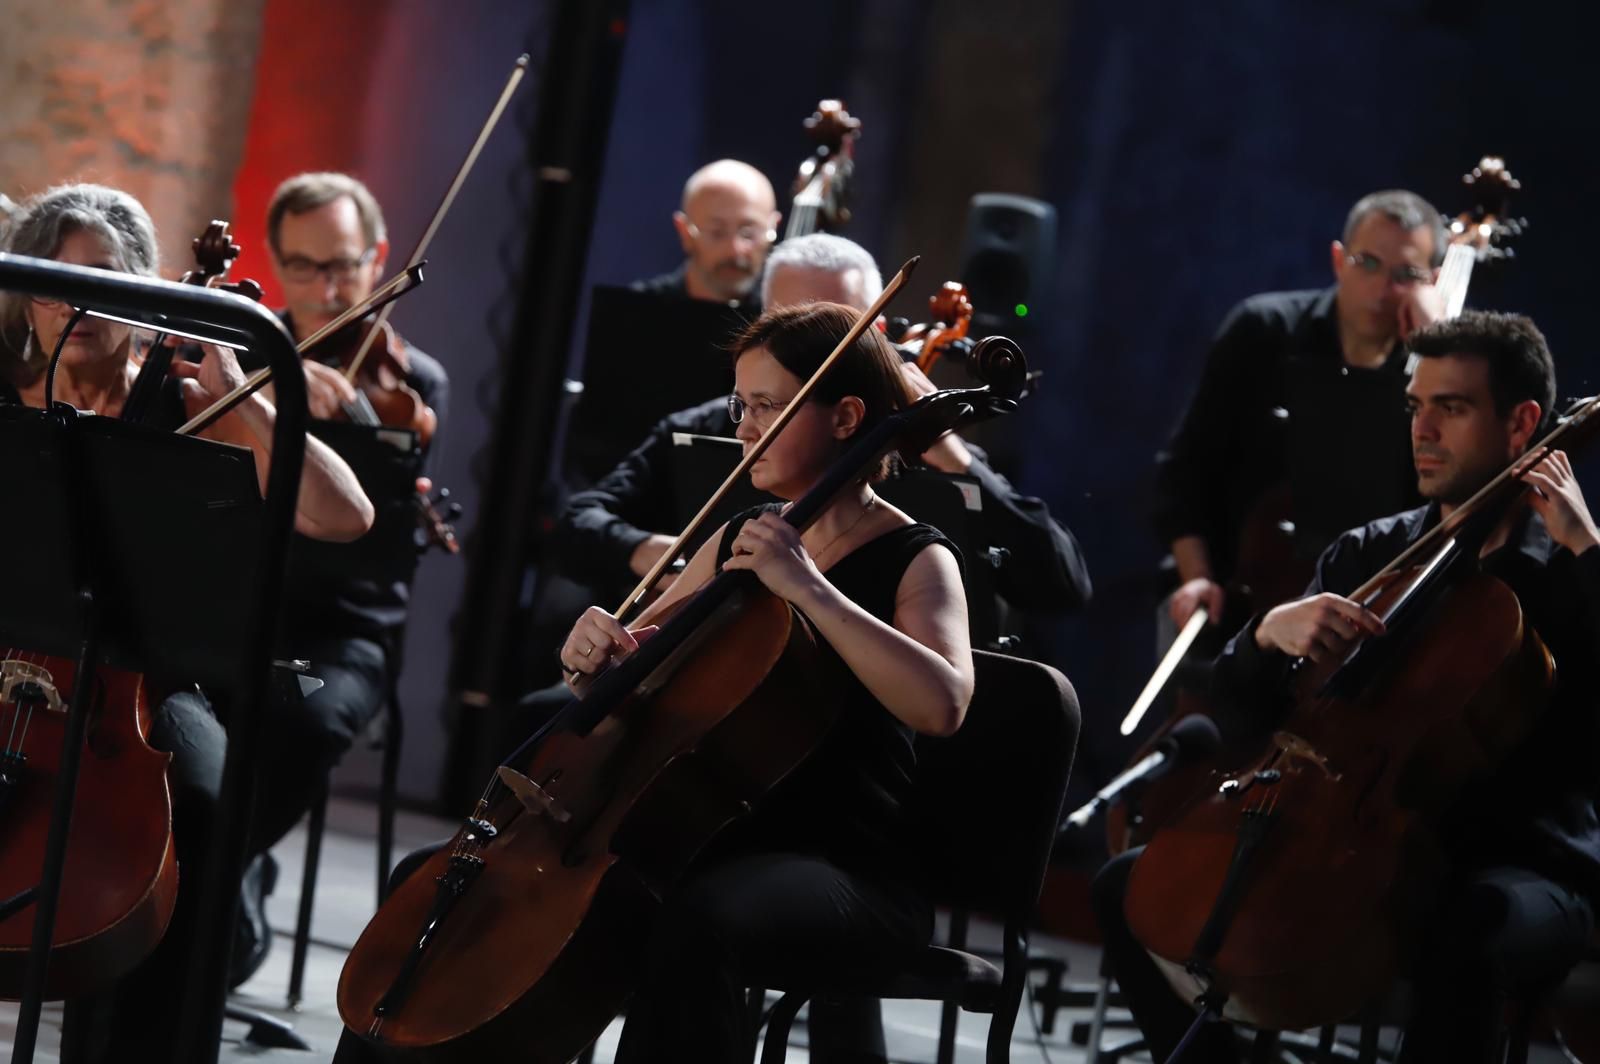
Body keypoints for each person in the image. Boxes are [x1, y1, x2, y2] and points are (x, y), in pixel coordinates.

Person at [335, 302, 974, 1063]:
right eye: (743, 403)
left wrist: (810, 590)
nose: (744, 426)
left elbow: (942, 704)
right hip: (706, 836)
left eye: (769, 405)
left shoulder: (916, 557)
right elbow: (641, 669)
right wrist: (596, 659)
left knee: (699, 919)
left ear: (847, 418)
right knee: (443, 880)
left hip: (846, 865)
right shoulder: (741, 536)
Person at [1098, 310, 1600, 1063]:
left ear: (1523, 423)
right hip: (1339, 839)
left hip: (1519, 861)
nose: (1422, 430)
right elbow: (1242, 721)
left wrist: (1589, 554)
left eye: (1451, 408)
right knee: (1126, 886)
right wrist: (1267, 637)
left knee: (1471, 923)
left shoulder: (1566, 571)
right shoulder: (1372, 554)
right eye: (1415, 406)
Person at [0, 182, 375, 1060]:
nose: (76, 304)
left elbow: (343, 514)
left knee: (200, 803)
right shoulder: (2, 393)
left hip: (133, 679)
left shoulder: (186, 400)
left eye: (103, 279)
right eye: (54, 282)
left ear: (144, 289)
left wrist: (241, 394)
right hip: (12, 658)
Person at [557, 232, 1091, 615]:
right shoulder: (720, 424)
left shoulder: (917, 440)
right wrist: (663, 554)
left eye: (828, 332)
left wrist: (951, 455)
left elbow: (1061, 582)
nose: (801, 355)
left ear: (877, 330)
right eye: (783, 330)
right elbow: (577, 523)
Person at [223, 172, 453, 986]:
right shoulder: (246, 362)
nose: (327, 291)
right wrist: (271, 403)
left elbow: (372, 549)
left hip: (344, 630)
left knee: (303, 722)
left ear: (380, 258)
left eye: (345, 267)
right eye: (305, 268)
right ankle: (215, 889)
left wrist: (327, 435)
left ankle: (214, 887)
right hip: (235, 608)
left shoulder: (411, 384)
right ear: (278, 264)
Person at [1154, 189, 1449, 639]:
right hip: (1233, 607)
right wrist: (1197, 576)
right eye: (1366, 263)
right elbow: (1183, 471)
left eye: (1405, 274)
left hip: (1368, 626)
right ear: (1337, 259)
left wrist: (1440, 341)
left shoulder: (1435, 373)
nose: (1381, 290)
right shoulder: (1262, 330)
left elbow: (1459, 497)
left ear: (1434, 281)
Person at [632, 158, 782, 309]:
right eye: (717, 232)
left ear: (774, 227)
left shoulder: (782, 315)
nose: (735, 249)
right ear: (684, 231)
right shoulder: (635, 310)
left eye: (749, 233)